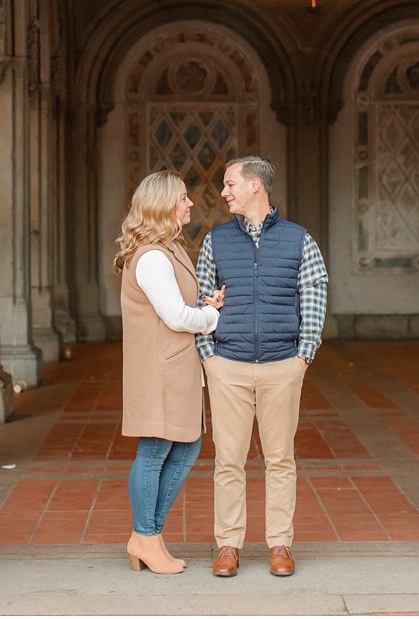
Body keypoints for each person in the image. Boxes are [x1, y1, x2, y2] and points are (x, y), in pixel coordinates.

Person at [196, 155, 328, 578]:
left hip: (281, 365)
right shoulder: (215, 240)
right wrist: (208, 356)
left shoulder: (298, 239)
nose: (224, 191)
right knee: (228, 460)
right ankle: (228, 545)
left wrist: (304, 355)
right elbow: (201, 297)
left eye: (230, 183)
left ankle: (279, 545)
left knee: (280, 459)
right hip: (228, 365)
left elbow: (314, 292)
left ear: (256, 185)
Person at [115, 170, 225, 575]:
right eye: (182, 197)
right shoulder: (154, 257)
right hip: (161, 371)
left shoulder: (167, 249)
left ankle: (148, 536)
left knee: (187, 445)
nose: (190, 203)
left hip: (174, 369)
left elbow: (181, 304)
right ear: (163, 204)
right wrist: (212, 315)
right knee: (156, 450)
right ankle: (146, 536)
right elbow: (177, 316)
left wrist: (206, 302)